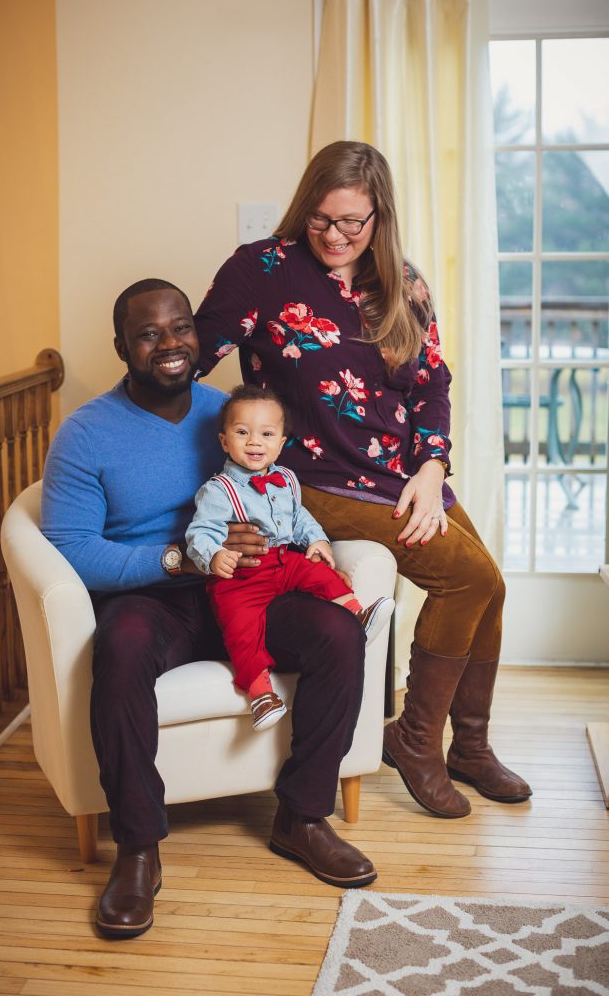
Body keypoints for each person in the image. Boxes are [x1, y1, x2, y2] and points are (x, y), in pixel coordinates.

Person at [194, 140, 532, 821]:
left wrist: (432, 469)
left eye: (353, 221)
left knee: (487, 586)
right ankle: (414, 743)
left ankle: (467, 745)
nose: (335, 235)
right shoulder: (259, 268)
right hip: (314, 482)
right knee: (464, 578)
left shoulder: (402, 281)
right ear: (303, 208)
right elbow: (191, 360)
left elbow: (432, 384)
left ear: (380, 216)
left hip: (402, 477)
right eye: (321, 218)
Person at [41, 277, 378, 941]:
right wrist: (176, 559)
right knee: (122, 648)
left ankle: (302, 817)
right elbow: (72, 551)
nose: (169, 344)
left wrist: (304, 547)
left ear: (198, 334)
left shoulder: (230, 414)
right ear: (121, 347)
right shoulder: (85, 435)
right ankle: (138, 849)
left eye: (180, 327)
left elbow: (281, 495)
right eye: (148, 333)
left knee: (339, 633)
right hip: (152, 596)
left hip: (248, 589)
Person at [185, 383, 395, 730]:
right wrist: (215, 554)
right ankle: (260, 693)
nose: (255, 442)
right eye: (242, 432)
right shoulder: (219, 490)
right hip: (242, 578)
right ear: (224, 441)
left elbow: (300, 518)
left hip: (283, 560)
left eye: (266, 434)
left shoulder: (287, 479)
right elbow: (200, 531)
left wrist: (317, 540)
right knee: (241, 631)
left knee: (319, 572)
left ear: (281, 444)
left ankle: (355, 613)